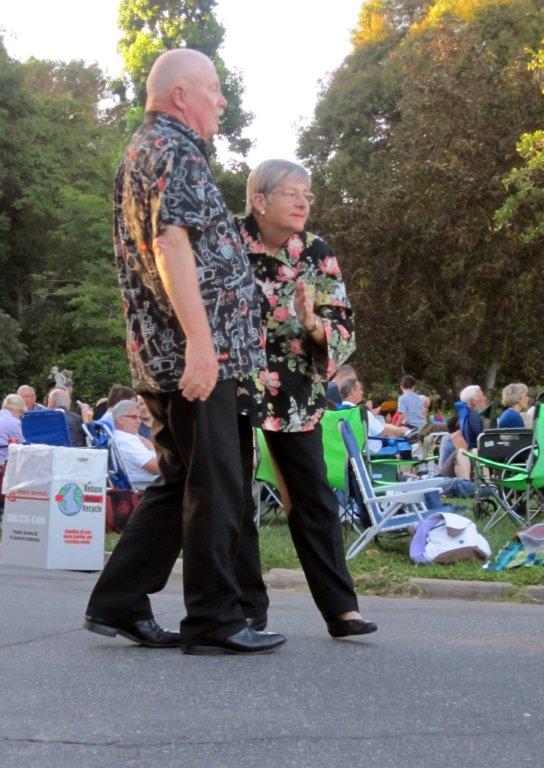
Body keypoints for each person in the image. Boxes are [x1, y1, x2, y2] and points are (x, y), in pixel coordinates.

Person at [84, 49, 284, 656]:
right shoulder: (173, 150)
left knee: (180, 483)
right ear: (180, 96)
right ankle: (216, 621)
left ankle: (119, 599)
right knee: (217, 485)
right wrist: (203, 343)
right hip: (195, 355)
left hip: (165, 351)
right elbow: (172, 246)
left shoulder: (146, 150)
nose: (221, 101)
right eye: (214, 90)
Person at [238, 159, 377, 639]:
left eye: (308, 195)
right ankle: (246, 611)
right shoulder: (226, 243)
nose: (303, 203)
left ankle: (341, 610)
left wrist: (313, 322)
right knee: (234, 493)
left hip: (296, 380)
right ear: (259, 200)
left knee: (313, 494)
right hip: (232, 378)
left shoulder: (316, 251)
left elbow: (343, 325)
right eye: (292, 193)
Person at [112, 400, 159, 489]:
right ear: (120, 420)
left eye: (139, 417)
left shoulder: (129, 436)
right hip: (151, 483)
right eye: (134, 417)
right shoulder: (126, 440)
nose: (139, 421)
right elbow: (157, 468)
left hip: (153, 481)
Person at [456, 384, 488, 449]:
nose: (485, 398)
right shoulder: (473, 416)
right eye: (482, 396)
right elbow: (481, 439)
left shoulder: (464, 415)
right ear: (473, 402)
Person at [0, 394, 25, 465]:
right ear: (17, 411)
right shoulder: (14, 422)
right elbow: (22, 445)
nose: (21, 417)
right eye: (21, 413)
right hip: (4, 463)